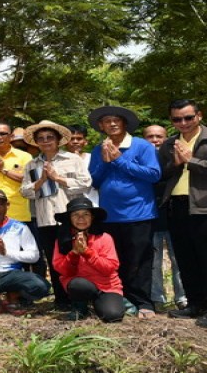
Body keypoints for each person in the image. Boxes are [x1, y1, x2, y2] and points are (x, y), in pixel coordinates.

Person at [159, 99, 207, 328]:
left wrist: (191, 161)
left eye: (188, 117)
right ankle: (194, 304)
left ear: (199, 116)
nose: (183, 123)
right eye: (177, 119)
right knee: (185, 258)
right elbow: (162, 175)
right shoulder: (169, 144)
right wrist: (175, 164)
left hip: (206, 207)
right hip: (177, 205)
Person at [88, 105, 160, 319]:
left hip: (139, 213)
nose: (111, 124)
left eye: (116, 120)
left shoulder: (141, 146)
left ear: (124, 123)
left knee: (139, 260)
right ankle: (121, 300)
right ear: (101, 126)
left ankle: (144, 302)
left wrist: (119, 160)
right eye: (107, 121)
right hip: (109, 215)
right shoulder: (97, 149)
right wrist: (106, 161)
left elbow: (154, 174)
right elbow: (95, 181)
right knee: (114, 260)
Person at [20, 120, 91, 310]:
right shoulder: (32, 164)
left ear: (59, 140)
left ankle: (79, 298)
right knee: (55, 260)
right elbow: (25, 191)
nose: (45, 141)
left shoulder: (73, 159)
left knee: (76, 256)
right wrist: (41, 180)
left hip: (71, 218)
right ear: (36, 142)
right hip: (44, 218)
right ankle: (61, 299)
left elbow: (85, 183)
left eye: (50, 137)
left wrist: (57, 178)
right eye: (41, 138)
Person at [53, 197, 125, 322]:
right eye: (75, 215)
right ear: (69, 218)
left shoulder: (104, 238)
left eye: (86, 214)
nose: (81, 218)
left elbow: (110, 268)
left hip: (106, 285)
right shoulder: (62, 240)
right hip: (80, 285)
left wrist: (87, 253)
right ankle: (80, 306)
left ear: (92, 217)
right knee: (77, 284)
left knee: (113, 316)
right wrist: (74, 253)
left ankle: (101, 300)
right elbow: (62, 270)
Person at [143, 124, 186, 312]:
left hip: (175, 216)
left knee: (180, 259)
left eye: (159, 136)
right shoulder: (140, 159)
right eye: (150, 136)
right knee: (153, 260)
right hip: (150, 216)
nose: (155, 140)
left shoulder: (177, 156)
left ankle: (183, 297)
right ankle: (156, 298)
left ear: (166, 138)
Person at [66, 125, 99, 205]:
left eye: (79, 139)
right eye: (71, 139)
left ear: (85, 142)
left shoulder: (93, 158)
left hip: (91, 203)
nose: (75, 141)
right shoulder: (59, 160)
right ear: (65, 142)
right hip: (67, 204)